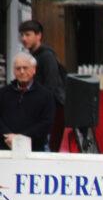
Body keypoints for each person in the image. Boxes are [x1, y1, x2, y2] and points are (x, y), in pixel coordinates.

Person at [19, 20, 65, 150]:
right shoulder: (32, 56)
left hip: (52, 110)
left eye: (28, 35)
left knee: (47, 148)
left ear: (38, 35)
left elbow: (51, 85)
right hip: (41, 109)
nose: (24, 38)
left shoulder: (47, 56)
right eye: (22, 35)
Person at [0, 52, 55, 151]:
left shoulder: (46, 95)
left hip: (34, 150)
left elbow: (46, 123)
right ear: (13, 71)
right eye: (18, 68)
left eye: (25, 68)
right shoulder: (3, 93)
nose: (21, 71)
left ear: (34, 70)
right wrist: (8, 136)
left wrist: (19, 138)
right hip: (5, 148)